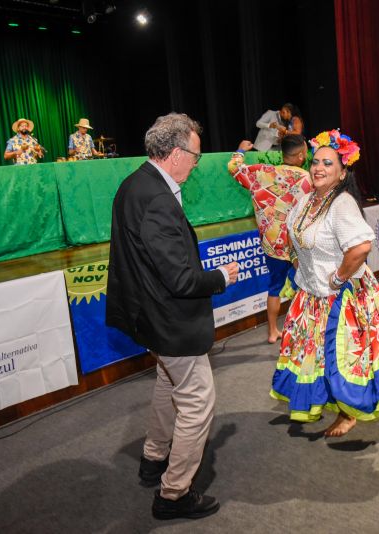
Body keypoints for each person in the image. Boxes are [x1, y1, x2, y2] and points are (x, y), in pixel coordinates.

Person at [106, 113, 239, 521]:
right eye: (196, 158)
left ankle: (152, 459)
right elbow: (180, 279)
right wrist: (220, 277)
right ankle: (173, 493)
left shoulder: (134, 183)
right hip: (169, 318)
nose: (196, 167)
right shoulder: (158, 199)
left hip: (149, 316)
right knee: (198, 403)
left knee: (168, 384)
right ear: (177, 153)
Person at [271, 129, 379, 438]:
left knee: (346, 357)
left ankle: (349, 413)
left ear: (342, 171)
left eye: (328, 163)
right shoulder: (308, 199)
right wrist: (300, 266)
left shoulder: (342, 203)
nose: (319, 168)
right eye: (316, 162)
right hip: (312, 295)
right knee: (317, 356)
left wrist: (337, 278)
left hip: (341, 298)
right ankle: (330, 403)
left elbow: (361, 248)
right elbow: (292, 235)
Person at [227, 134, 312, 343]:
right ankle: (303, 330)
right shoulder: (306, 179)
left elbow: (234, 168)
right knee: (305, 287)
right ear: (301, 155)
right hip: (296, 245)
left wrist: (240, 150)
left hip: (271, 244)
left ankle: (273, 331)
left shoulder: (261, 173)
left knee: (274, 287)